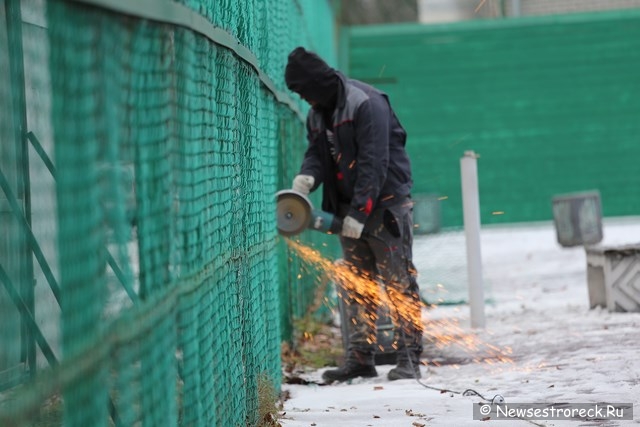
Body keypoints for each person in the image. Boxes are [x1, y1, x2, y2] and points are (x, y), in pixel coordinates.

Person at [284, 46, 424, 382]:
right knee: (357, 285)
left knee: (397, 282)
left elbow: (374, 162)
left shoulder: (366, 103)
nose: (303, 98)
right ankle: (360, 357)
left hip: (385, 204)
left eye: (303, 91)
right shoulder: (318, 113)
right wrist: (308, 177)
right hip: (350, 208)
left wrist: (360, 212)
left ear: (317, 84)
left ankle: (409, 358)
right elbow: (318, 154)